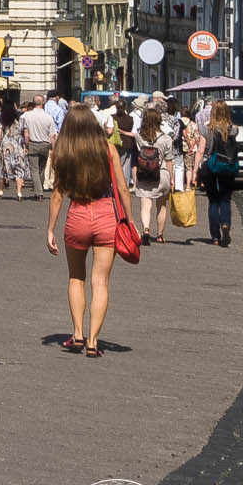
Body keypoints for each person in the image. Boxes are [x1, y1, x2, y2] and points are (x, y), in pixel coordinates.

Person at [46, 104, 131, 357]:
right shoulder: (108, 149)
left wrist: (50, 229)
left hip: (78, 214)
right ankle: (93, 341)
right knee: (101, 281)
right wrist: (130, 220)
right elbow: (122, 188)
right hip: (106, 215)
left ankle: (77, 334)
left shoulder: (63, 152)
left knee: (76, 277)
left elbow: (57, 195)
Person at [198, 99, 242, 248]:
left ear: (213, 113)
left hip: (211, 165)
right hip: (228, 166)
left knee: (213, 201)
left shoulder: (207, 129)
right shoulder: (234, 129)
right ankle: (225, 224)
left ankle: (215, 237)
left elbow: (201, 150)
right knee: (225, 199)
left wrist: (195, 169)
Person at [126, 105, 170, 243]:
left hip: (145, 173)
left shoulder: (140, 137)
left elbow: (133, 136)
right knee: (161, 205)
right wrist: (172, 179)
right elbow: (169, 161)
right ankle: (160, 234)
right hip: (161, 173)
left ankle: (146, 229)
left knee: (146, 204)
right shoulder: (166, 139)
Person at [20, 94, 58, 197]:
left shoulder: (27, 116)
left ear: (33, 103)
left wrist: (26, 145)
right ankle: (39, 188)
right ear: (43, 103)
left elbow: (26, 133)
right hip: (45, 144)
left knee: (34, 170)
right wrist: (54, 148)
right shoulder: (48, 117)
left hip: (33, 143)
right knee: (42, 168)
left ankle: (38, 192)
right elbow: (52, 135)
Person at [0, 103, 30, 199]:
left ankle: (1, 191)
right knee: (19, 169)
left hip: (6, 145)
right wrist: (26, 146)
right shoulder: (21, 119)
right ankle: (19, 192)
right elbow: (26, 135)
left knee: (3, 168)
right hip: (18, 145)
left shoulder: (2, 119)